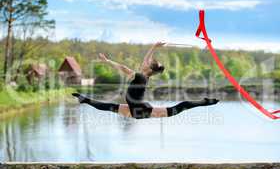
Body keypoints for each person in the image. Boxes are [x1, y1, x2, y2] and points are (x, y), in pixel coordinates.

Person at [73, 42, 219, 119]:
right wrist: (153, 48)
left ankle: (206, 101)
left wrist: (153, 47)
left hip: (141, 110)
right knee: (108, 106)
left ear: (149, 69)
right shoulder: (142, 76)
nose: (145, 62)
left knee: (179, 107)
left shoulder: (141, 77)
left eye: (147, 63)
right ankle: (84, 100)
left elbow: (126, 66)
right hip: (136, 109)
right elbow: (133, 65)